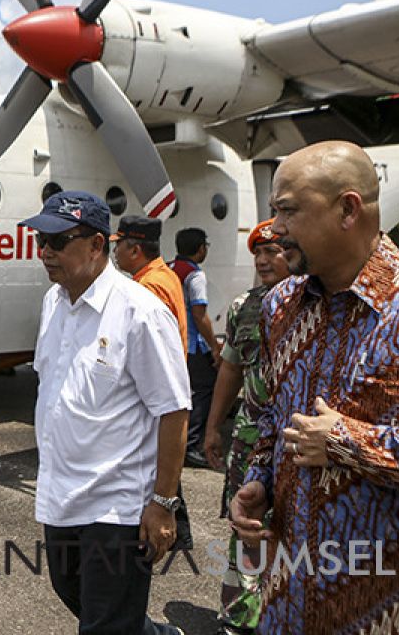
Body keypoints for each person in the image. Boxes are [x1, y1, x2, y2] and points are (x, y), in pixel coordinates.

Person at [229, 141, 399, 633]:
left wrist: (353, 443)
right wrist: (260, 478)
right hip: (292, 603)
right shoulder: (281, 306)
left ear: (347, 209)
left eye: (288, 211)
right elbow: (272, 416)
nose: (275, 228)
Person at [22, 192, 190, 635]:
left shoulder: (141, 312)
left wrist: (162, 502)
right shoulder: (52, 303)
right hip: (62, 494)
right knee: (73, 593)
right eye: (42, 240)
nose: (45, 252)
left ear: (96, 245)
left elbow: (173, 411)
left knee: (104, 625)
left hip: (117, 505)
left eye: (58, 241)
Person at [202, 219, 290, 634]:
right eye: (258, 251)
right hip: (250, 441)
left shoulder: (316, 304)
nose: (263, 259)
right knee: (246, 529)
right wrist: (213, 425)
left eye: (273, 250)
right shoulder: (244, 307)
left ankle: (282, 610)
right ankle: (240, 616)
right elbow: (230, 370)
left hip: (294, 443)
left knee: (293, 529)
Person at [111, 214, 194, 551]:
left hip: (156, 387)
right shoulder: (164, 273)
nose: (114, 255)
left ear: (135, 249)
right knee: (166, 457)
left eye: (119, 247)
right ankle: (181, 530)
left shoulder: (148, 288)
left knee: (161, 459)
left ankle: (173, 528)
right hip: (172, 380)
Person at [170, 227, 222, 467]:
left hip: (172, 341)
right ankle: (191, 445)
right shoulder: (195, 276)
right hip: (191, 345)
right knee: (205, 390)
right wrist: (214, 345)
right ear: (201, 248)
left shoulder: (169, 268)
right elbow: (200, 315)